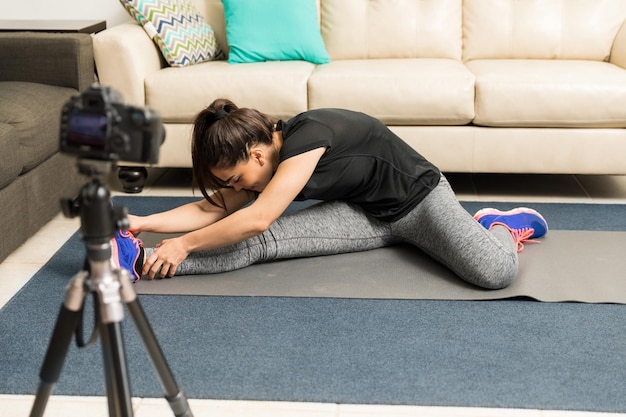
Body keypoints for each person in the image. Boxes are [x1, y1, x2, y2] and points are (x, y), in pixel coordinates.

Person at [112, 99, 548, 289]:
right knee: (253, 243)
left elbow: (258, 216)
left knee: (494, 273)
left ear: (259, 154)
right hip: (365, 215)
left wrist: (185, 243)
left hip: (421, 202)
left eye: (238, 177)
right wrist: (143, 224)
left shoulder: (309, 135)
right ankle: (138, 261)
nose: (235, 189)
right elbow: (215, 209)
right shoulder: (262, 164)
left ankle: (498, 225)